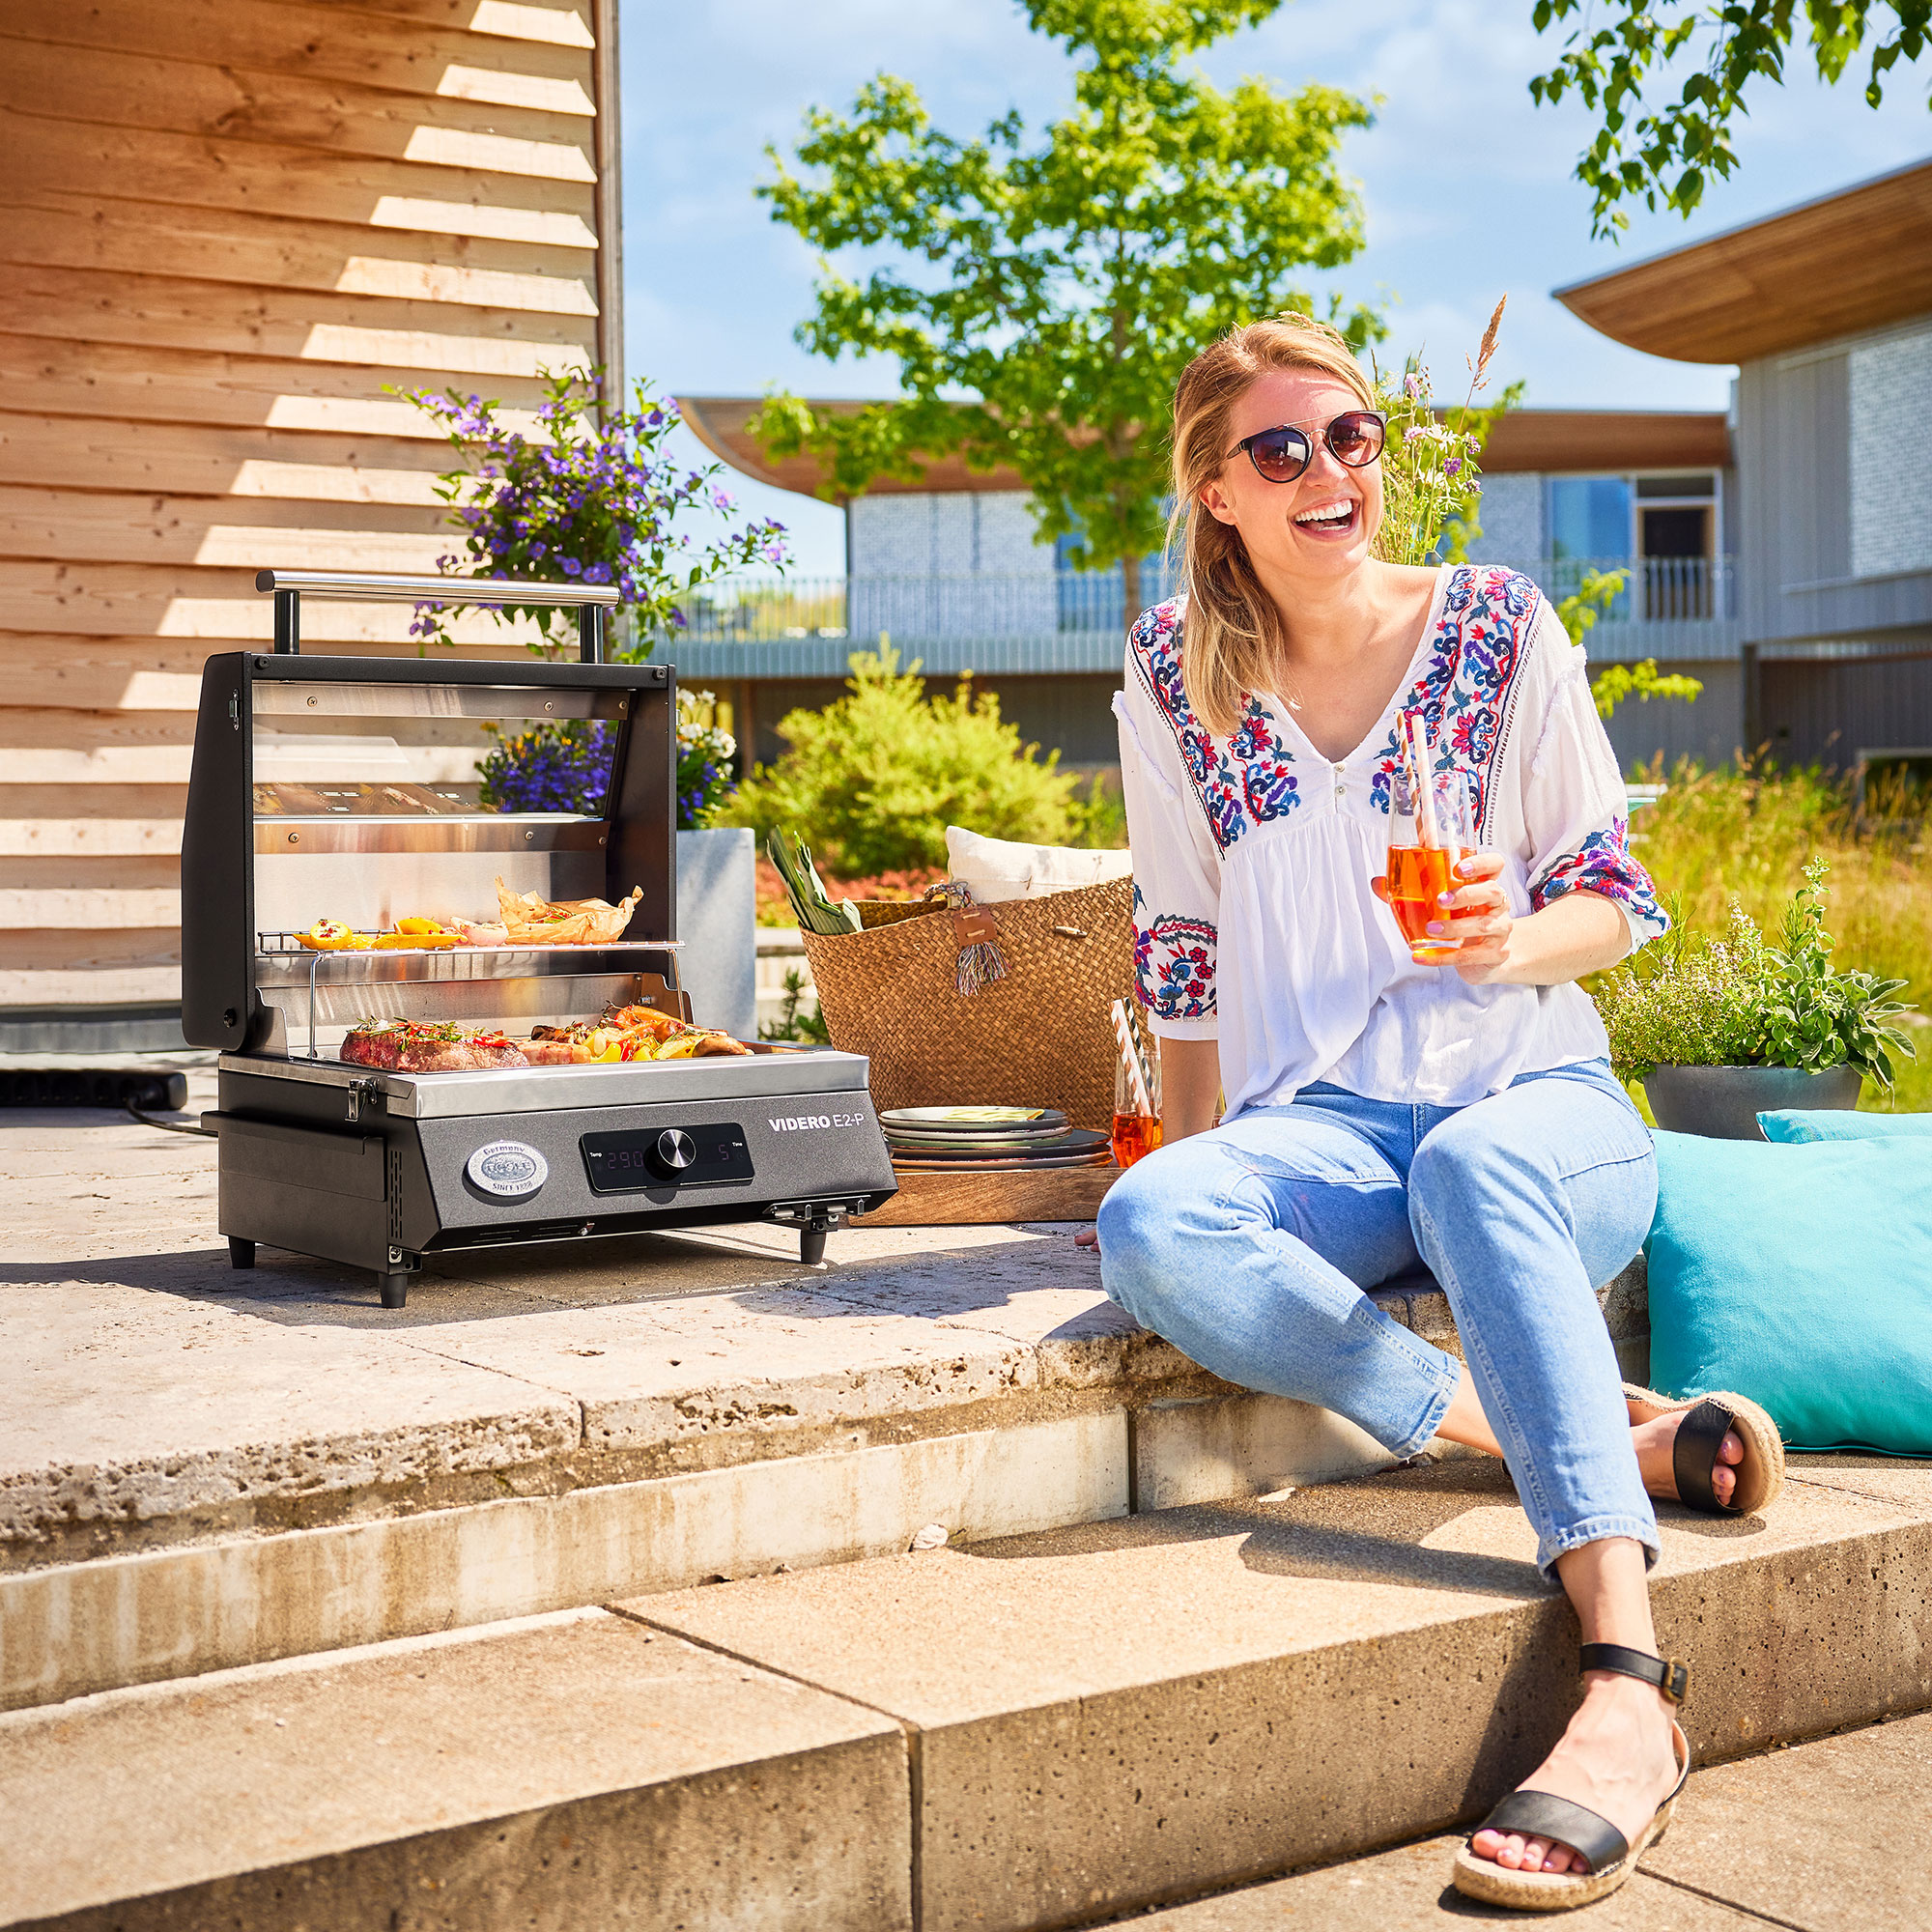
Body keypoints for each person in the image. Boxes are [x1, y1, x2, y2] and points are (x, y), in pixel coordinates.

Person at [1093, 314, 1783, 1913]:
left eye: (1350, 438)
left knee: (1478, 1160)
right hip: (1329, 1130)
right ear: (1216, 490)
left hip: (1538, 1109)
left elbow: (1616, 899)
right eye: (1281, 449)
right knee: (1156, 1219)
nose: (1330, 470)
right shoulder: (1171, 674)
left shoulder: (1493, 627)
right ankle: (1576, 1438)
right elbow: (1180, 940)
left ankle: (1627, 1686)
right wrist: (1193, 1147)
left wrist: (1506, 939)